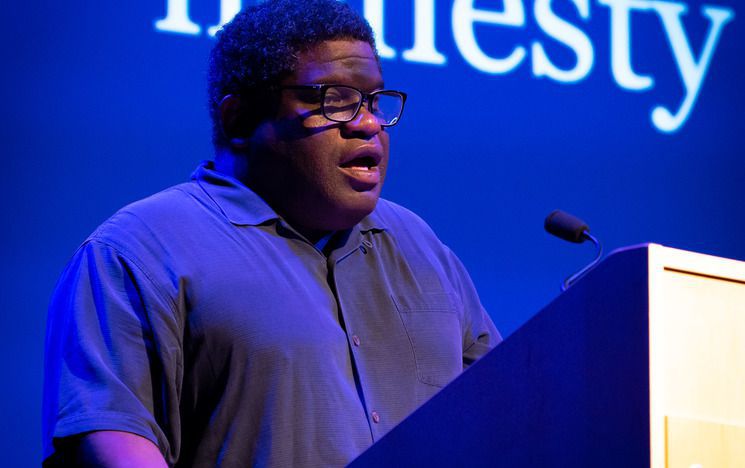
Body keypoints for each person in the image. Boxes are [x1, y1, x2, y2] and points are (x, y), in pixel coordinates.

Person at [42, 0, 500, 466]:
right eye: (334, 99)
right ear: (239, 120)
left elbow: (508, 408)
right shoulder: (138, 250)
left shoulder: (421, 246)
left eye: (374, 101)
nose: (367, 124)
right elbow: (109, 437)